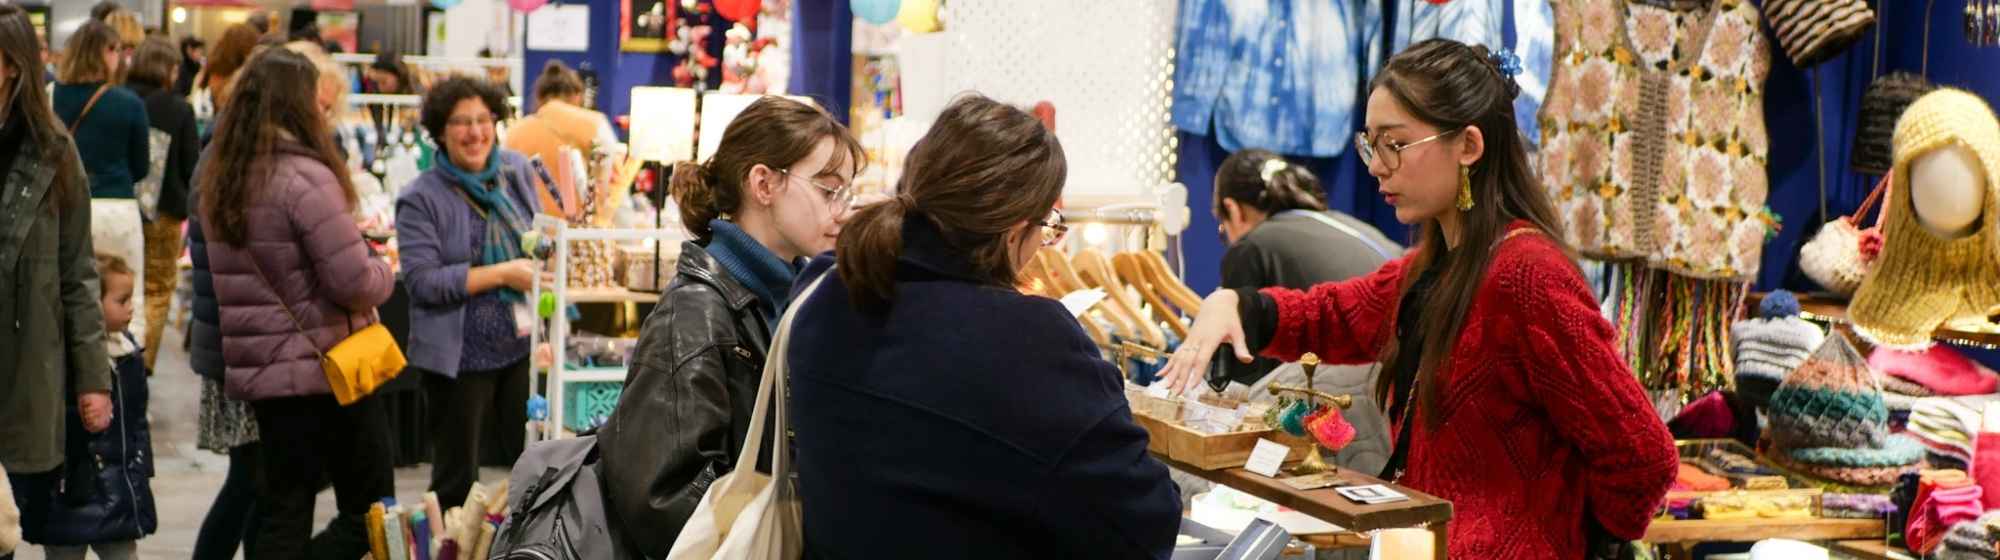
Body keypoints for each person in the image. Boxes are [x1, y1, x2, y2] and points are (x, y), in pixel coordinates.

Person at [1156, 39, 1678, 558]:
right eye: (1370, 144)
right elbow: (1337, 314)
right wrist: (1237, 306)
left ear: (1469, 146)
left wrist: (1566, 529)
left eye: (1395, 144)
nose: (1377, 166)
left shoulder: (1527, 277)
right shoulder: (1439, 266)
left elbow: (1643, 457)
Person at [785, 95, 1181, 557]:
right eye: (1048, 226)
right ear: (1014, 231)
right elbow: (1145, 522)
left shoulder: (825, 286)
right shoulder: (1029, 343)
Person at [597, 95, 865, 557]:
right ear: (763, 182)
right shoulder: (695, 315)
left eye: (846, 191)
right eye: (827, 189)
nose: (841, 209)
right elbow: (662, 497)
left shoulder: (788, 299)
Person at [199, 47, 395, 559]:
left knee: (283, 508)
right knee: (370, 510)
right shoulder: (305, 176)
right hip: (328, 371)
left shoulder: (224, 175)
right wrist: (384, 270)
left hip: (268, 376)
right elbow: (352, 280)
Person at [395, 76, 540, 511]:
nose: (475, 132)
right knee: (456, 484)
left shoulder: (516, 172)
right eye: (461, 122)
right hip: (457, 360)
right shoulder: (421, 197)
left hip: (520, 348)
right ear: (440, 130)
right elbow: (423, 282)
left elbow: (537, 238)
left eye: (483, 119)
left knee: (531, 471)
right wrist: (502, 274)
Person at [0, 5, 113, 560]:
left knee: (21, 515)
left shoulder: (54, 151)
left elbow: (78, 274)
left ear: (11, 66)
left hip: (29, 365)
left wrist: (93, 379)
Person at [1213, 148, 1402, 387]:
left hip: (1360, 394)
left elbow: (1240, 379)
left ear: (1232, 209)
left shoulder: (1251, 246)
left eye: (1222, 227)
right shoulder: (1351, 225)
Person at [184, 24, 264, 560]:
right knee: (249, 481)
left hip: (236, 344)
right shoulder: (226, 159)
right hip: (241, 348)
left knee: (256, 482)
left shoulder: (223, 154)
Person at [40, 254, 156, 560]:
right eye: (122, 300)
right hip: (70, 489)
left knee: (121, 553)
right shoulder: (61, 357)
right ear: (92, 305)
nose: (131, 307)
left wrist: (142, 468)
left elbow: (137, 419)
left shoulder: (129, 352)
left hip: (118, 486)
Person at [55, 20, 151, 367]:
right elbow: (142, 165)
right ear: (105, 53)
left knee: (75, 294)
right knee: (128, 299)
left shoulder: (51, 98)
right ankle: (126, 380)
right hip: (117, 206)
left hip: (68, 207)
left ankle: (79, 376)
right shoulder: (128, 103)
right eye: (116, 50)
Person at [124, 36, 198, 370]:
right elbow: (190, 165)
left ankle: (117, 370)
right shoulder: (178, 108)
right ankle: (141, 372)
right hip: (165, 213)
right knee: (156, 292)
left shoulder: (117, 98)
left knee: (117, 291)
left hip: (119, 209)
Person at [503, 59, 617, 217]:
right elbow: (614, 190)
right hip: (579, 236)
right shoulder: (595, 124)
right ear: (577, 95)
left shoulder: (514, 133)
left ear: (539, 97)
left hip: (528, 233)